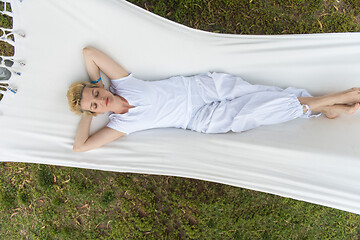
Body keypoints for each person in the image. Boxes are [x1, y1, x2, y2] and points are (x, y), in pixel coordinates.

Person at [67, 47, 360, 152]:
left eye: (96, 94)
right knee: (255, 112)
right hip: (197, 120)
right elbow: (80, 147)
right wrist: (86, 114)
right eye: (94, 105)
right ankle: (332, 101)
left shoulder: (122, 84)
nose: (99, 100)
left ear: (99, 86)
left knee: (257, 94)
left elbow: (89, 54)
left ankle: (323, 108)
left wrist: (94, 81)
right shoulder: (120, 124)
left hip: (200, 89)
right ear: (94, 113)